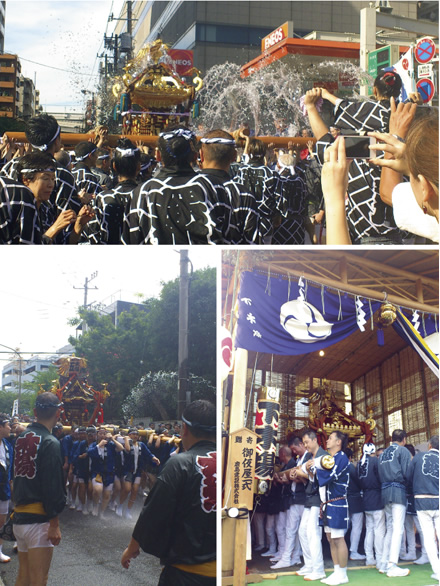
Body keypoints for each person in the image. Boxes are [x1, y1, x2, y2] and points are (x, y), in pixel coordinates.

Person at [305, 70, 409, 244]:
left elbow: (326, 141)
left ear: (375, 90)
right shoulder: (411, 123)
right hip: (403, 235)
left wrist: (312, 107)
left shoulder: (356, 145)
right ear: (399, 90)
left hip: (366, 236)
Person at [121, 399, 216, 585]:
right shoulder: (230, 462)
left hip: (185, 572)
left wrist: (133, 546)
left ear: (184, 429)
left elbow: (153, 511)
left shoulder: (180, 463)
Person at [122, 125, 226, 244]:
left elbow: (131, 242)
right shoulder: (214, 187)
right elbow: (229, 239)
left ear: (158, 156)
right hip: (202, 262)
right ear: (195, 155)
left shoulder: (141, 192)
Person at [13, 392, 66, 586]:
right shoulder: (51, 442)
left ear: (35, 412)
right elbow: (52, 485)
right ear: (58, 413)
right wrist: (54, 523)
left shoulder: (21, 437)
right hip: (39, 520)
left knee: (24, 576)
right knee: (39, 579)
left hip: (19, 518)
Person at [198, 129, 265, 244]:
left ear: (201, 155)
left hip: (191, 261)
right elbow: (253, 244)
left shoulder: (187, 189)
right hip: (232, 260)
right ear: (234, 156)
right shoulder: (244, 194)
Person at [15, 153, 94, 244]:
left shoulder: (46, 209)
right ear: (26, 180)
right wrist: (55, 227)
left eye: (53, 179)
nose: (51, 185)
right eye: (45, 178)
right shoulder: (17, 211)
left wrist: (79, 225)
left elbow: (62, 245)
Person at [88, 138, 140, 244]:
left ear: (114, 166)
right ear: (139, 166)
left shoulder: (103, 198)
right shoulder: (146, 196)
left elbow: (93, 234)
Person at [315, 431, 350, 586]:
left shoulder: (341, 457)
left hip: (337, 503)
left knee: (338, 538)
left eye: (330, 438)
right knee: (330, 539)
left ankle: (343, 574)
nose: (327, 440)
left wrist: (315, 465)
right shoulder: (330, 459)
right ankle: (336, 571)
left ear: (338, 442)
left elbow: (329, 476)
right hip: (328, 503)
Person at [377, 429, 411, 577]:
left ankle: (383, 563)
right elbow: (407, 473)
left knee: (390, 528)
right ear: (403, 439)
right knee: (398, 529)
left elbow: (379, 474)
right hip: (398, 491)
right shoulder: (402, 451)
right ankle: (392, 565)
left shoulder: (383, 453)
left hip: (385, 492)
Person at [294, 429, 327, 582]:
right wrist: (303, 475)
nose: (305, 445)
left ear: (315, 440)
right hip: (309, 497)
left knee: (313, 534)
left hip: (318, 499)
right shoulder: (309, 457)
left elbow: (324, 479)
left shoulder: (323, 456)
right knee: (302, 532)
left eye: (307, 442)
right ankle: (309, 564)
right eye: (304, 443)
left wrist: (304, 475)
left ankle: (318, 569)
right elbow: (311, 478)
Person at [407, 435, 439, 582]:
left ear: (429, 446)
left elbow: (409, 477)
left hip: (421, 501)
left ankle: (437, 571)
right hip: (438, 500)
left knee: (428, 538)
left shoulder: (419, 458)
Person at [356, 443, 385, 569]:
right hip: (377, 498)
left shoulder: (359, 464)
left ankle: (369, 558)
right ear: (373, 451)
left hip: (366, 499)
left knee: (369, 529)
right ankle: (379, 559)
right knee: (379, 530)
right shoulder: (375, 461)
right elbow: (381, 478)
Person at [0, 415, 13, 563]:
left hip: (3, 489)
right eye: (7, 425)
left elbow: (10, 467)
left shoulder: (7, 445)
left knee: (1, 521)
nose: (10, 428)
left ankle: (0, 550)